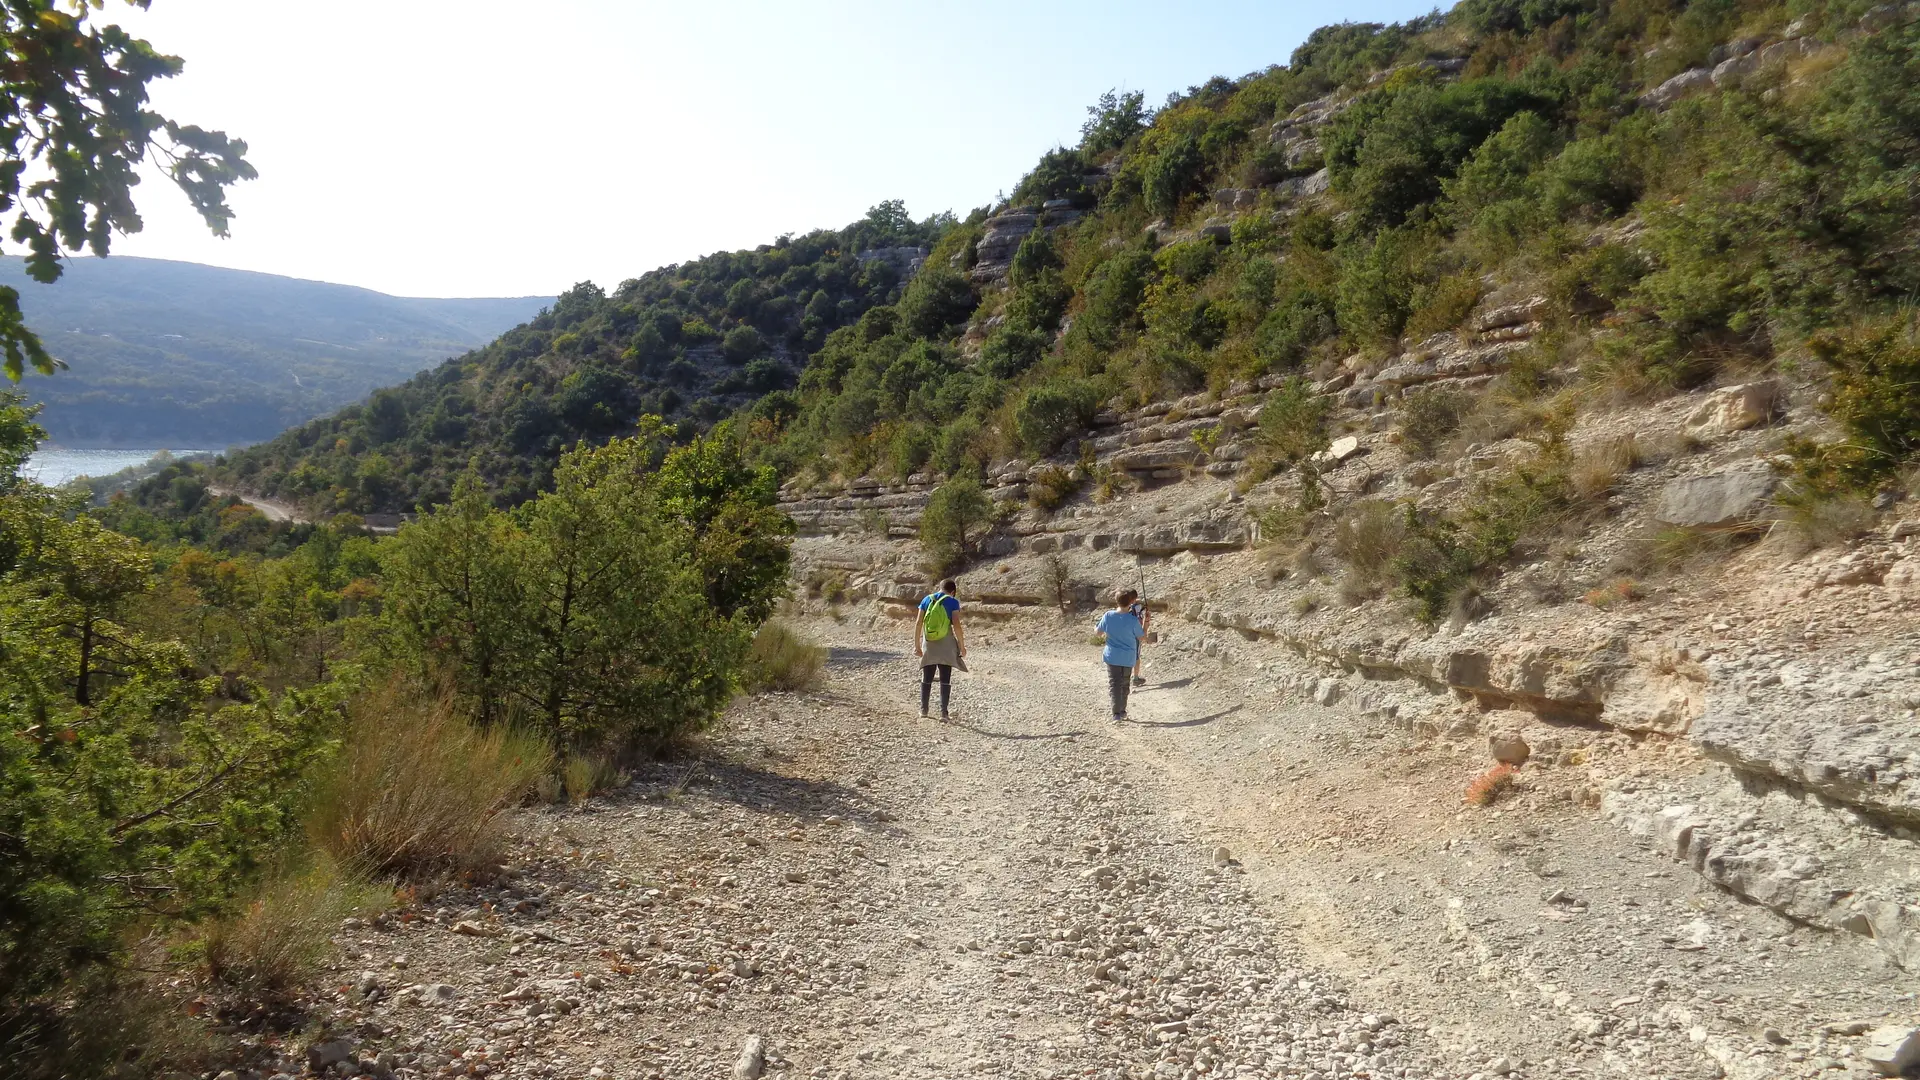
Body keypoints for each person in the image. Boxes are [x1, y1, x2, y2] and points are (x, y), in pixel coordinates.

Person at [914, 578, 965, 719]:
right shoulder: (953, 602)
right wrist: (962, 646)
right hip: (946, 645)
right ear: (953, 592)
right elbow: (957, 625)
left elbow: (918, 623)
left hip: (929, 643)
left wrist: (917, 646)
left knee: (927, 676)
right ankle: (944, 713)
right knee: (945, 678)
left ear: (940, 587)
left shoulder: (926, 600)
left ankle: (924, 710)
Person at [1095, 589, 1147, 723]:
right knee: (1125, 684)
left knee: (1114, 684)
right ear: (1130, 602)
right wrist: (1146, 624)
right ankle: (1122, 711)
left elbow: (1098, 633)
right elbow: (1142, 637)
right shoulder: (1132, 620)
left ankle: (1116, 714)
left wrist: (1095, 628)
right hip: (1128, 657)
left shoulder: (1108, 615)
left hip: (1112, 656)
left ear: (1116, 601)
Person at [1129, 592, 1152, 686]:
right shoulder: (1138, 610)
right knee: (1136, 657)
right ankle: (1135, 678)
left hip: (1125, 636)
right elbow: (1142, 628)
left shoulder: (1126, 610)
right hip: (1135, 636)